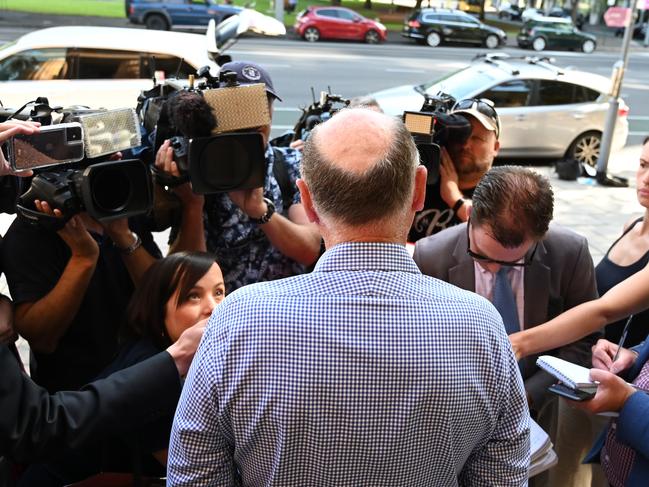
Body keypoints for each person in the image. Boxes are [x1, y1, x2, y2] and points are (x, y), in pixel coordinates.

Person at [167, 108, 530, 486]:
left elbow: (194, 476)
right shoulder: (481, 326)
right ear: (419, 189)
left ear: (306, 201)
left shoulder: (238, 320)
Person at [413, 165, 600, 486]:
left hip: (545, 410)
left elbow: (584, 340)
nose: (494, 268)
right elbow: (424, 347)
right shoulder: (432, 256)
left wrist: (529, 395)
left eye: (512, 261)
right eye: (482, 256)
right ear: (471, 216)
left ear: (539, 238)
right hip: (462, 416)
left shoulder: (570, 252)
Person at [156, 61, 321, 292]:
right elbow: (186, 273)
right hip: (223, 314)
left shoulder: (292, 163)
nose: (252, 119)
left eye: (261, 104)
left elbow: (309, 250)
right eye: (238, 106)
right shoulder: (199, 167)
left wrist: (261, 212)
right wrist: (192, 204)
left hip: (285, 314)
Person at [409, 98, 500, 242]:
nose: (465, 144)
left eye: (477, 138)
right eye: (459, 136)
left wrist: (454, 198)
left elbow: (498, 238)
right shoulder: (420, 178)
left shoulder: (503, 191)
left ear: (495, 147)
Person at [596, 137, 649, 348]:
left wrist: (521, 343)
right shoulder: (631, 225)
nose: (646, 178)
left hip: (618, 371)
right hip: (587, 351)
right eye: (643, 165)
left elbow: (602, 311)